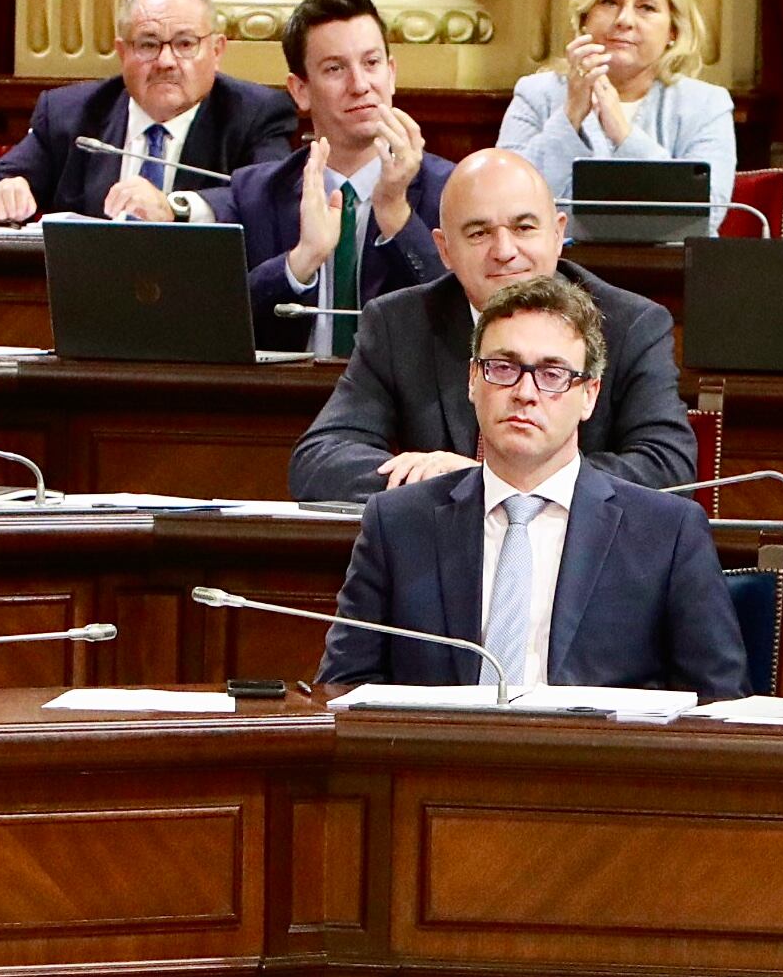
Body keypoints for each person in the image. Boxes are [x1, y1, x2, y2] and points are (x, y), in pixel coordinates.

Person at [319, 273, 747, 698]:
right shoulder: (397, 524)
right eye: (503, 368)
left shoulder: (666, 534)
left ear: (590, 395)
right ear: (472, 380)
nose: (525, 392)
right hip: (439, 763)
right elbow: (345, 690)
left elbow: (718, 704)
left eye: (552, 374)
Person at [291, 148, 695, 501]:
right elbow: (321, 458)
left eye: (523, 228)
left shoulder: (630, 325)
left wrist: (489, 484)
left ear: (557, 235)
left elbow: (666, 465)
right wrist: (441, 485)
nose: (504, 251)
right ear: (444, 250)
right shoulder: (400, 325)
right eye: (479, 233)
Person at [213, 0, 449, 353]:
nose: (360, 85)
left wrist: (396, 216)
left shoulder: (448, 190)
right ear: (300, 90)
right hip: (285, 403)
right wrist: (300, 261)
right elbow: (230, 329)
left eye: (371, 64)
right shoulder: (259, 192)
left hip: (400, 409)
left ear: (391, 73)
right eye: (335, 68)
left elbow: (457, 321)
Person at [0, 0, 295, 223]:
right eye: (148, 45)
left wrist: (174, 208)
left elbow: (269, 198)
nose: (165, 61)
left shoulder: (255, 113)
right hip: (87, 298)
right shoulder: (70, 114)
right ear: (122, 53)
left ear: (217, 51)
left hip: (202, 299)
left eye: (185, 44)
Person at [496, 0, 739, 237]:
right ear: (585, 18)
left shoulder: (706, 104)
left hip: (667, 277)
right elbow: (504, 202)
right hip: (555, 274)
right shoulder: (536, 94)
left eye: (646, 7)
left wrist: (624, 134)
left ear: (673, 30)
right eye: (609, 2)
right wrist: (570, 115)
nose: (624, 20)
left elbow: (705, 217)